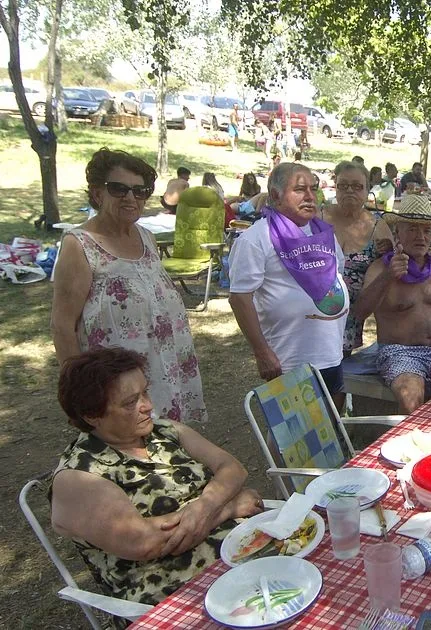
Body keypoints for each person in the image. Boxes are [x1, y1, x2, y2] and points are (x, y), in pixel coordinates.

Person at [50, 348, 264, 605]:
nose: (148, 406)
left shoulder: (162, 431)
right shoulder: (80, 476)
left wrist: (204, 505)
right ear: (92, 415)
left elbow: (232, 468)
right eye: (131, 402)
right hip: (174, 592)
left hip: (240, 554)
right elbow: (146, 542)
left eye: (145, 392)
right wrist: (227, 507)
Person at [51, 148, 207, 423]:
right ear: (98, 193)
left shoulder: (146, 238)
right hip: (115, 386)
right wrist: (79, 394)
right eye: (119, 189)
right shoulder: (80, 245)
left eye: (140, 190)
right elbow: (62, 326)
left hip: (165, 373)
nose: (131, 198)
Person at [228, 163, 350, 398]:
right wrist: (262, 353)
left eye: (313, 189)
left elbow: (337, 275)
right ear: (276, 195)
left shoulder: (323, 234)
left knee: (332, 426)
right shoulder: (256, 238)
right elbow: (240, 298)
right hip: (289, 359)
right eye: (300, 189)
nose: (310, 197)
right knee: (295, 430)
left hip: (330, 353)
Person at [353, 196, 431, 412]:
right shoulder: (380, 268)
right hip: (399, 352)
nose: (420, 236)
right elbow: (360, 312)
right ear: (397, 233)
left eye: (426, 231)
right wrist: (388, 276)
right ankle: (419, 442)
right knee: (411, 396)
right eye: (412, 229)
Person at [323, 161, 394, 358]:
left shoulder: (377, 226)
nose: (350, 191)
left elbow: (393, 265)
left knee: (335, 374)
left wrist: (388, 252)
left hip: (350, 318)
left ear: (367, 189)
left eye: (357, 186)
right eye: (343, 185)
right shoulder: (320, 217)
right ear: (335, 186)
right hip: (312, 313)